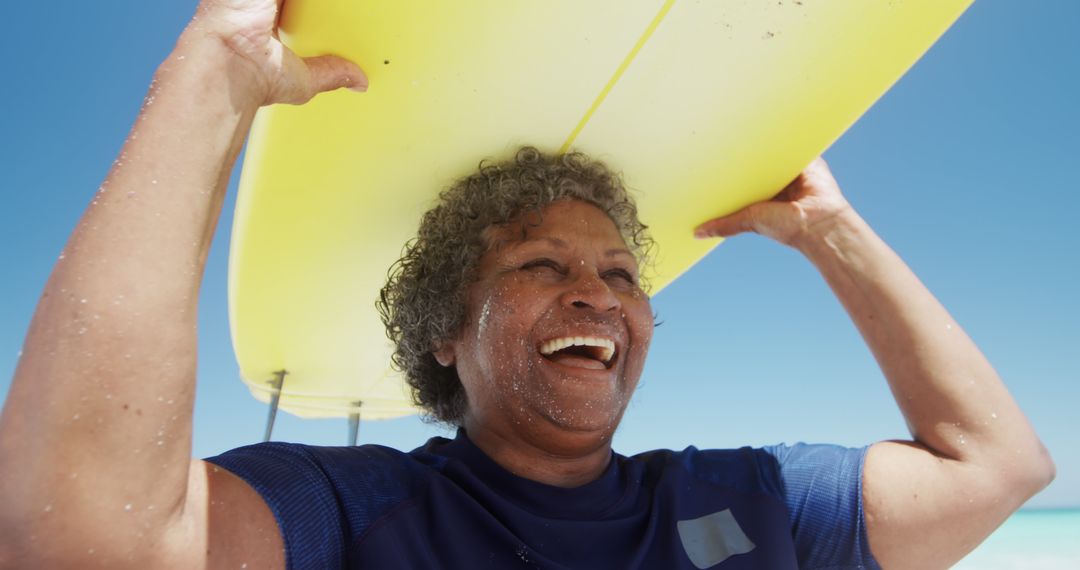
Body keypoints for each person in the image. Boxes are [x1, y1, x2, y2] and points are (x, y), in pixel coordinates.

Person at [0, 0, 1054, 568]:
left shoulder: (749, 498)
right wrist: (210, 81)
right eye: (542, 267)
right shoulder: (354, 510)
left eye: (619, 272)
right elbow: (82, 541)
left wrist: (831, 231)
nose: (598, 294)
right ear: (449, 331)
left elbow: (999, 466)